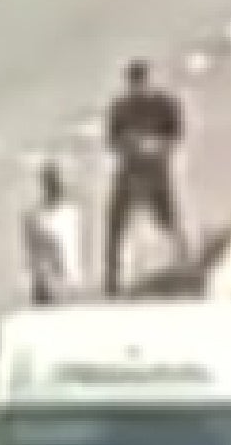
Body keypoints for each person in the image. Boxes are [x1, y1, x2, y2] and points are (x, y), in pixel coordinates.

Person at [102, 60, 192, 294]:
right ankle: (112, 277)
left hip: (156, 170)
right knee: (116, 221)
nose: (138, 88)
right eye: (134, 84)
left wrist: (155, 146)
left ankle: (184, 260)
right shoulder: (120, 107)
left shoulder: (164, 104)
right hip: (130, 170)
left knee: (166, 215)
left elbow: (176, 133)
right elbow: (112, 139)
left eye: (140, 82)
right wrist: (130, 145)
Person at [21, 161, 85, 305]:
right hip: (51, 285)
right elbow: (32, 255)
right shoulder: (36, 216)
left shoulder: (70, 211)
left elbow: (32, 255)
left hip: (63, 282)